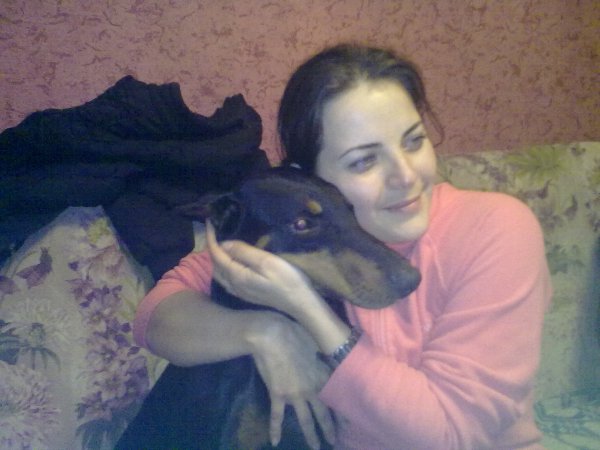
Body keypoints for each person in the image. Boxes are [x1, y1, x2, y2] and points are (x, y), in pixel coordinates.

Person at [133, 43, 552, 449]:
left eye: (413, 140)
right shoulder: (307, 231)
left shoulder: (494, 226)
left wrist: (309, 312)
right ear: (310, 178)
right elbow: (156, 315)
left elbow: (453, 437)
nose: (406, 176)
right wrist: (266, 332)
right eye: (364, 160)